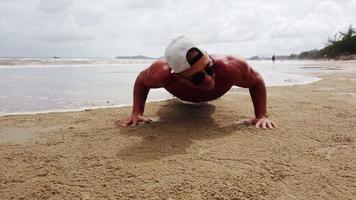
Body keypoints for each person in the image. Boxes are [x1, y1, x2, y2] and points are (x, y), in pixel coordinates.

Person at [120, 36, 276, 129]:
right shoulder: (163, 73)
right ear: (178, 77)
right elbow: (142, 80)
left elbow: (256, 81)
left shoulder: (230, 67)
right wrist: (137, 113)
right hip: (181, 99)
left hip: (211, 100)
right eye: (197, 77)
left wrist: (261, 115)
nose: (208, 79)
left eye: (209, 69)